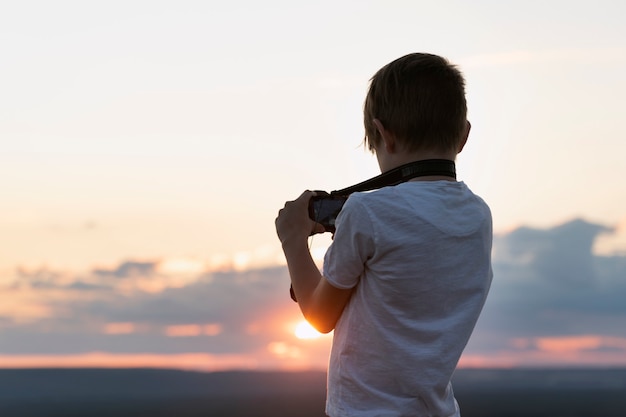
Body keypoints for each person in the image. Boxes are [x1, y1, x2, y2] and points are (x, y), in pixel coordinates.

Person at [275, 53, 493, 417]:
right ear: (464, 135)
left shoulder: (366, 211)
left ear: (382, 134)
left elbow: (319, 315)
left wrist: (293, 239)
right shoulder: (478, 215)